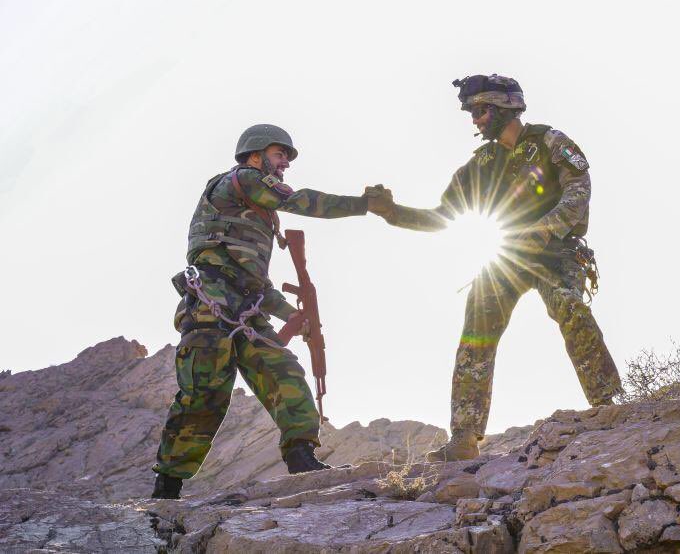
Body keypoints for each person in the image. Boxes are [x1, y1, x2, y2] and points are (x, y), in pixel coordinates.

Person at [367, 75, 622, 461]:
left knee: (571, 308)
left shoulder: (549, 142)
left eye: (482, 111)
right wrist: (393, 213)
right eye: (472, 113)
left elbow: (578, 192)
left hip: (555, 253)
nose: (475, 120)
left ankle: (609, 405)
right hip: (505, 257)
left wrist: (544, 230)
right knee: (476, 334)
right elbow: (443, 217)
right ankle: (464, 438)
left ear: (507, 108)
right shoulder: (481, 164)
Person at [151, 124, 389, 499]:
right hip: (211, 300)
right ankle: (167, 486)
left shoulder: (260, 211)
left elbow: (260, 286)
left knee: (284, 373)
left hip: (247, 307)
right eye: (281, 155)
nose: (285, 165)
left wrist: (298, 318)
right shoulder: (241, 180)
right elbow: (301, 201)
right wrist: (364, 204)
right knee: (205, 393)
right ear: (256, 153)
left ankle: (301, 457)